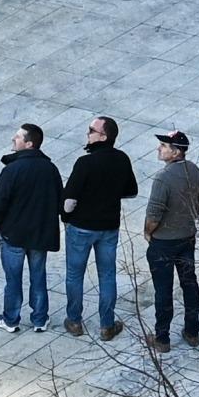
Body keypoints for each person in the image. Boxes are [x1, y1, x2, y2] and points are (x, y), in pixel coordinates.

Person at [60, 117, 137, 338]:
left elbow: (69, 201)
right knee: (107, 275)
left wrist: (65, 217)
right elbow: (131, 190)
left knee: (75, 274)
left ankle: (74, 321)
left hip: (81, 228)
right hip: (108, 228)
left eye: (92, 130)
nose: (88, 134)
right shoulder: (122, 159)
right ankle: (106, 325)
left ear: (104, 136)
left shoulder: (85, 163)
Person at [0, 123, 64, 332]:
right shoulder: (50, 169)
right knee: (38, 276)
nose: (14, 139)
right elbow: (60, 201)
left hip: (13, 234)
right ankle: (40, 319)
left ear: (29, 144)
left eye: (18, 137)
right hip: (39, 235)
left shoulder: (12, 170)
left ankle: (11, 319)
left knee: (12, 278)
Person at [141, 130, 199, 351]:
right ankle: (192, 331)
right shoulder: (194, 171)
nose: (159, 149)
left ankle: (162, 338)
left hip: (164, 242)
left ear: (176, 152)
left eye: (164, 146)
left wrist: (149, 232)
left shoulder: (163, 178)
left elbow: (153, 214)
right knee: (190, 284)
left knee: (163, 289)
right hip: (187, 238)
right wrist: (186, 218)